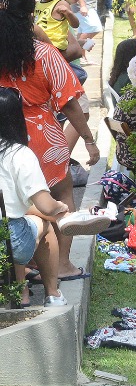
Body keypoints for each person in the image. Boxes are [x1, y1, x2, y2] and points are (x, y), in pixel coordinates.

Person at [0, 0, 97, 279]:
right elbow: (69, 103)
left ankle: (23, 269)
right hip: (42, 137)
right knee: (61, 194)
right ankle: (62, 265)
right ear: (32, 16)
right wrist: (89, 140)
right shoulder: (44, 53)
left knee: (14, 201)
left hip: (3, 136)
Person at [0, 89, 72, 307]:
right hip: (9, 241)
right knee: (44, 225)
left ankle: (20, 293)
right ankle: (53, 294)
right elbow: (45, 206)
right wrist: (60, 208)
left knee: (20, 221)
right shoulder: (19, 154)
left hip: (7, 231)